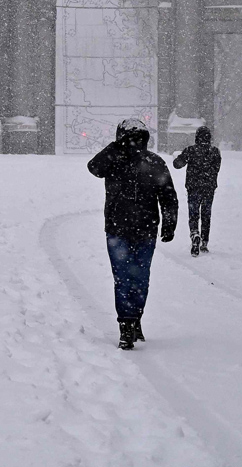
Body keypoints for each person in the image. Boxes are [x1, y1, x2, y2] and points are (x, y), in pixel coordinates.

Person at [88, 118, 179, 350]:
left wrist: (170, 224)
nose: (133, 143)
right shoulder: (113, 160)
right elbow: (93, 167)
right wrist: (115, 147)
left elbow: (168, 196)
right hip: (121, 229)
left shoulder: (154, 162)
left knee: (136, 278)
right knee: (129, 278)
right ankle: (127, 324)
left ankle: (134, 318)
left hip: (141, 229)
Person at [173, 126, 221, 256]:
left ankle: (194, 234)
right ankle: (204, 242)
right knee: (206, 214)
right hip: (209, 188)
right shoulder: (215, 151)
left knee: (193, 214)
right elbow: (216, 168)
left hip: (193, 187)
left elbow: (177, 165)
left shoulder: (191, 150)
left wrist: (179, 158)